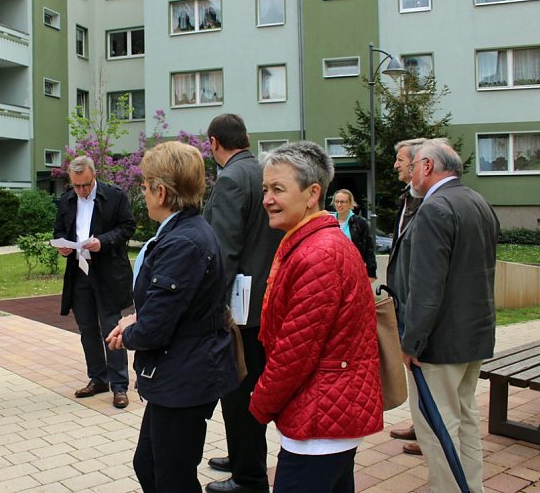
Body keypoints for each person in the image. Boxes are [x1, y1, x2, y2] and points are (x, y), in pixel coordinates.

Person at [249, 141, 383, 493]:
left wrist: (259, 404)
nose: (267, 198)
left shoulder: (319, 253)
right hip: (325, 415)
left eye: (278, 189)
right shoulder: (309, 243)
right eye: (265, 189)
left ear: (312, 194)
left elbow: (294, 353)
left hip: (319, 420)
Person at [106, 141, 237, 492]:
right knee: (149, 464)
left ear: (161, 192)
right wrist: (136, 320)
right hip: (180, 373)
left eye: (146, 186)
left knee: (171, 478)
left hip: (185, 378)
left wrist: (128, 333)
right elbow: (169, 306)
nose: (144, 193)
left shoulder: (183, 242)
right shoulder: (184, 233)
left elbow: (156, 328)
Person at [397, 139, 499, 493]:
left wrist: (411, 343)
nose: (410, 173)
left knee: (437, 430)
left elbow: (426, 288)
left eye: (414, 166)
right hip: (474, 337)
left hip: (439, 345)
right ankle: (471, 488)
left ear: (427, 166)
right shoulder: (478, 201)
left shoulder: (433, 208)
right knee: (466, 422)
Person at [203, 114, 282, 493]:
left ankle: (249, 478)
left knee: (239, 391)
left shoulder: (232, 178)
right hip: (264, 299)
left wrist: (214, 306)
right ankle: (241, 457)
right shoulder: (263, 170)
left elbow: (225, 251)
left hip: (241, 308)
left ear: (214, 142)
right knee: (246, 389)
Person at [53, 156, 135, 408]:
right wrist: (62, 246)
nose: (82, 191)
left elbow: (128, 227)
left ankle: (119, 385)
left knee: (111, 326)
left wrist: (103, 241)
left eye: (86, 185)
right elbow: (58, 232)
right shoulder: (67, 200)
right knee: (87, 327)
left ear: (94, 175)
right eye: (77, 186)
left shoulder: (114, 195)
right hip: (79, 272)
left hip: (107, 271)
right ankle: (98, 378)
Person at [386, 137, 425, 455]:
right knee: (414, 368)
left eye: (400, 159)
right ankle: (420, 422)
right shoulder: (408, 198)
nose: (396, 165)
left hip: (417, 300)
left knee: (421, 365)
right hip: (403, 298)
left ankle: (428, 431)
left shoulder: (428, 203)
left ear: (416, 164)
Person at [331, 189, 376, 280]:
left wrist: (371, 273)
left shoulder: (360, 222)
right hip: (332, 270)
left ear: (350, 203)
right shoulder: (328, 221)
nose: (339, 205)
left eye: (343, 202)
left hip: (354, 269)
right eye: (337, 201)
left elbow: (369, 248)